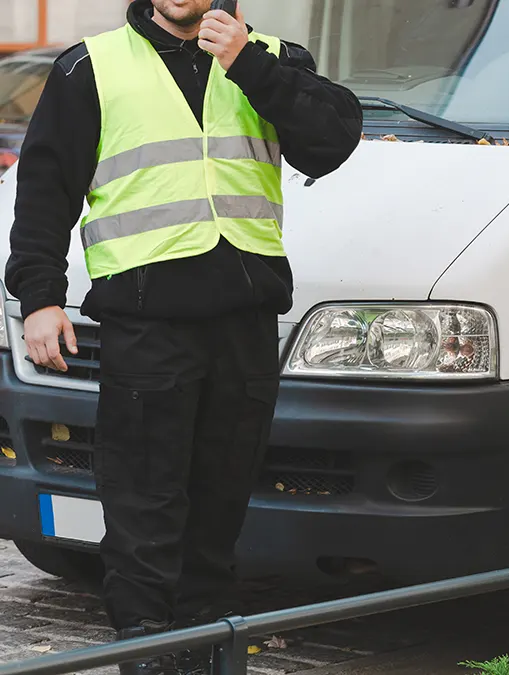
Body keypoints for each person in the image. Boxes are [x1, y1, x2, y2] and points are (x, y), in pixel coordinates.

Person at [4, 1, 362, 673]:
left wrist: (246, 62)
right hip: (147, 321)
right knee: (145, 496)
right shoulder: (93, 66)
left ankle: (205, 643)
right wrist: (41, 297)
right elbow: (45, 188)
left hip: (245, 317)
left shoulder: (272, 60)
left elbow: (331, 140)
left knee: (223, 491)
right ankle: (145, 645)